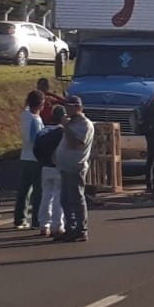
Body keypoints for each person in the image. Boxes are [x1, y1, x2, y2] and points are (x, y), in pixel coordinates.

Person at [55, 96, 94, 242]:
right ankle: (70, 228)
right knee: (65, 199)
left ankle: (81, 229)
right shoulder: (71, 122)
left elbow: (75, 144)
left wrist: (65, 127)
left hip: (75, 167)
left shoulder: (85, 125)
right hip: (64, 166)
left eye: (70, 107)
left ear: (78, 107)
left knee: (76, 198)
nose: (67, 109)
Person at [14, 91, 45, 230]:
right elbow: (35, 139)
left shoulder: (24, 115)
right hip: (35, 158)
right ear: (40, 104)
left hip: (24, 157)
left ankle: (19, 219)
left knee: (23, 190)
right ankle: (37, 220)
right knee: (38, 191)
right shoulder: (36, 119)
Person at [34, 107, 66, 237]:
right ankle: (57, 226)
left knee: (46, 195)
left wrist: (42, 161)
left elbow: (35, 150)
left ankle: (43, 225)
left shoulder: (42, 131)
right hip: (58, 167)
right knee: (59, 196)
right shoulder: (62, 132)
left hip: (45, 167)